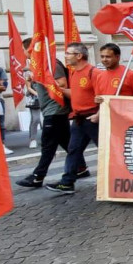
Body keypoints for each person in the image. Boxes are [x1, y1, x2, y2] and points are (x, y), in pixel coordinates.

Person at [45, 44, 99, 194]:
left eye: (68, 53)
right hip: (78, 119)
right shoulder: (74, 73)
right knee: (73, 150)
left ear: (79, 56)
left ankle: (120, 178)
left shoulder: (94, 73)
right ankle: (67, 182)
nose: (66, 56)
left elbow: (103, 96)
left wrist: (99, 115)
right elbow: (75, 93)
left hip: (93, 118)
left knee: (106, 150)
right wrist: (58, 89)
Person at [17, 56, 77, 189]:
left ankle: (38, 176)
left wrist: (38, 78)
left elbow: (61, 84)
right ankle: (81, 167)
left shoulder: (51, 63)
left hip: (55, 110)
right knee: (68, 144)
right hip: (53, 111)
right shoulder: (42, 64)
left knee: (48, 147)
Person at [21, 37, 42, 148]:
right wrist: (37, 94)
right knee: (36, 119)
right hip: (35, 97)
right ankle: (32, 139)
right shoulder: (27, 70)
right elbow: (28, 87)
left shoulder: (42, 65)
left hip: (45, 95)